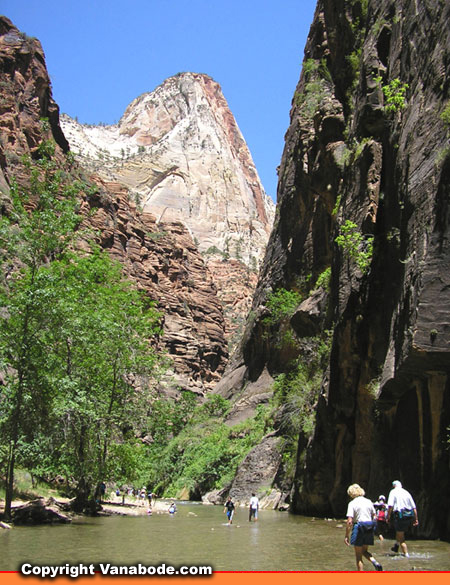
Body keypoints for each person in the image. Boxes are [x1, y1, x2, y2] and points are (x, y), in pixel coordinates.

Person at [344, 484, 383, 571]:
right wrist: (377, 531)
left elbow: (350, 521)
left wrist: (347, 535)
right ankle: (374, 562)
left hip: (359, 526)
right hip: (369, 526)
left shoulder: (352, 503)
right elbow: (374, 516)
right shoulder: (368, 501)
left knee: (358, 556)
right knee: (364, 551)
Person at [386, 480, 419, 557]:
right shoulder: (406, 492)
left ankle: (406, 555)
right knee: (399, 532)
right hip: (409, 516)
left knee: (401, 536)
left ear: (394, 486)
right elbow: (414, 507)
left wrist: (388, 516)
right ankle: (396, 546)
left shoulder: (393, 492)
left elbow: (390, 506)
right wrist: (416, 519)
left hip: (400, 516)